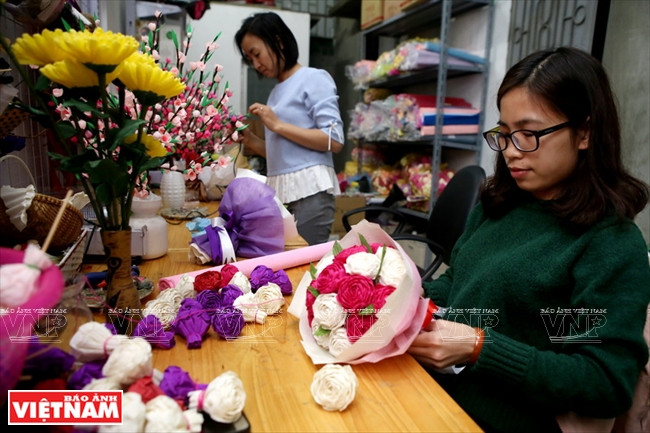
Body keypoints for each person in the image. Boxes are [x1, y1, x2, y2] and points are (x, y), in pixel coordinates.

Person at [408, 46, 650, 433]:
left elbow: (601, 379)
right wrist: (402, 296)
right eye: (503, 135)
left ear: (584, 133)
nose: (510, 153)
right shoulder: (498, 206)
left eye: (529, 135)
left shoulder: (604, 244)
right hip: (433, 391)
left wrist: (480, 347)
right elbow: (461, 281)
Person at [234, 12, 344, 245]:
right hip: (284, 193)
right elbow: (287, 154)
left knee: (303, 270)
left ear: (278, 41)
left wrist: (278, 125)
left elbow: (334, 140)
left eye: (256, 54)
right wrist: (253, 141)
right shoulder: (276, 91)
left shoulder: (314, 78)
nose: (256, 64)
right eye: (249, 59)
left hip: (310, 194)